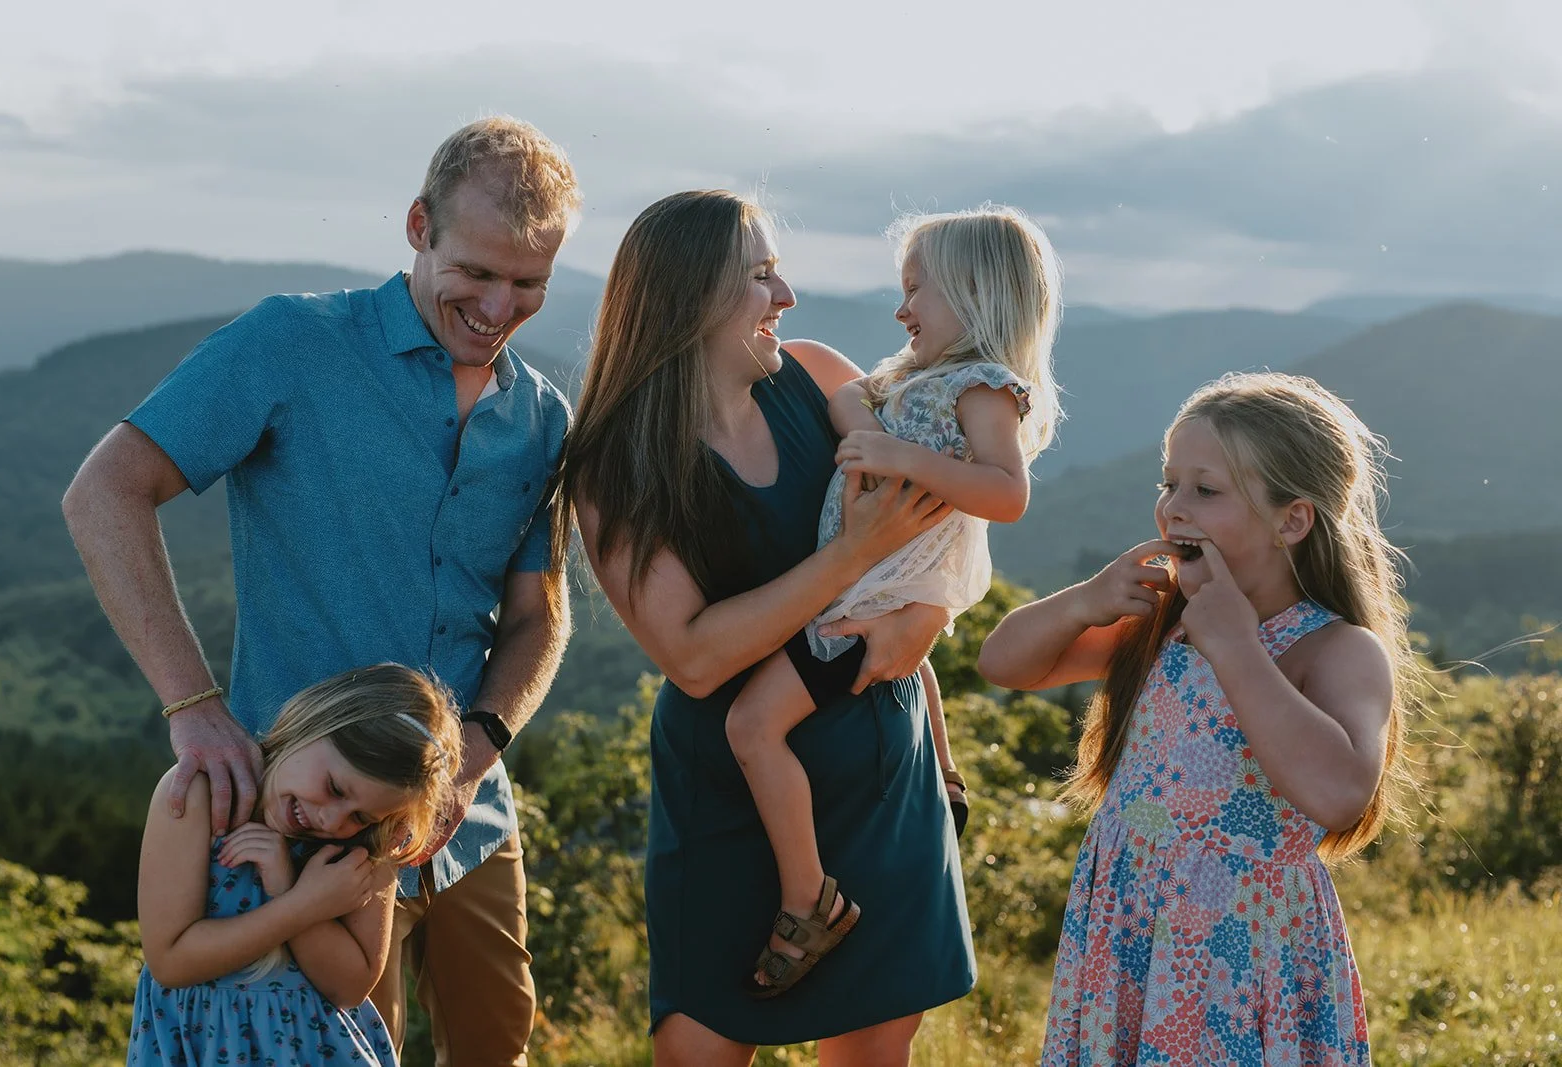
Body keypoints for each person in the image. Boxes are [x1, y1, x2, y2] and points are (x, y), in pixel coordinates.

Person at [63, 116, 581, 1066]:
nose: (500, 305)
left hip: (467, 813)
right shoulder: (291, 343)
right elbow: (103, 492)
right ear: (419, 225)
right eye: (478, 271)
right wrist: (193, 706)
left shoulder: (543, 415)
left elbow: (540, 617)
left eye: (529, 284)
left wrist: (472, 755)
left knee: (497, 1042)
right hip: (304, 817)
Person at [561, 189, 976, 1067]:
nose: (784, 296)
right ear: (689, 298)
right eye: (760, 275)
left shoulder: (822, 379)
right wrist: (851, 554)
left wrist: (928, 618)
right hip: (727, 801)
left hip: (879, 773)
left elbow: (946, 514)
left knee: (873, 1048)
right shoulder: (618, 462)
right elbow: (695, 656)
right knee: (699, 1049)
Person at [977, 371, 1419, 1065]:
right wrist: (1083, 602)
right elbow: (1004, 663)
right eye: (1168, 482)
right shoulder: (1164, 622)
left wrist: (1238, 645)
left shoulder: (1333, 648)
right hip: (1133, 925)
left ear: (1291, 520)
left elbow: (1339, 791)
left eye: (1205, 490)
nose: (1172, 508)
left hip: (1239, 955)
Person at [722, 205, 1062, 996]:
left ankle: (807, 898)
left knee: (752, 725)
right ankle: (945, 775)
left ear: (978, 299)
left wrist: (896, 453)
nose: (903, 308)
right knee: (914, 664)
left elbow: (1007, 493)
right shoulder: (919, 378)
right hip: (871, 587)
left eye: (919, 292)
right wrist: (860, 426)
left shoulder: (983, 389)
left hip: (865, 600)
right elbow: (856, 412)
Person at [127, 664, 461, 1066]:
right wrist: (300, 906)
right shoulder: (199, 794)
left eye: (360, 817)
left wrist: (290, 888)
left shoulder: (364, 852)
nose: (332, 821)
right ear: (314, 722)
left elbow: (348, 988)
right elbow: (171, 961)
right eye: (335, 788)